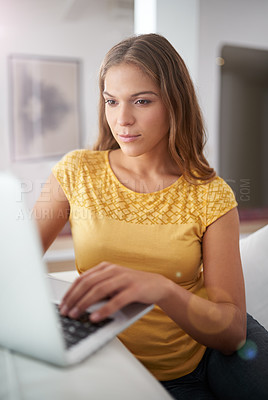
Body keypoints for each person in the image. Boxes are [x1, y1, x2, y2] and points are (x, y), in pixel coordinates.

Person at [33, 34, 268, 399]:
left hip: (184, 375)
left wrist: (160, 288)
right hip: (99, 364)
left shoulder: (211, 195)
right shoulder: (76, 172)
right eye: (112, 101)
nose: (122, 119)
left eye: (141, 101)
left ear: (175, 103)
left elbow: (233, 331)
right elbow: (13, 265)